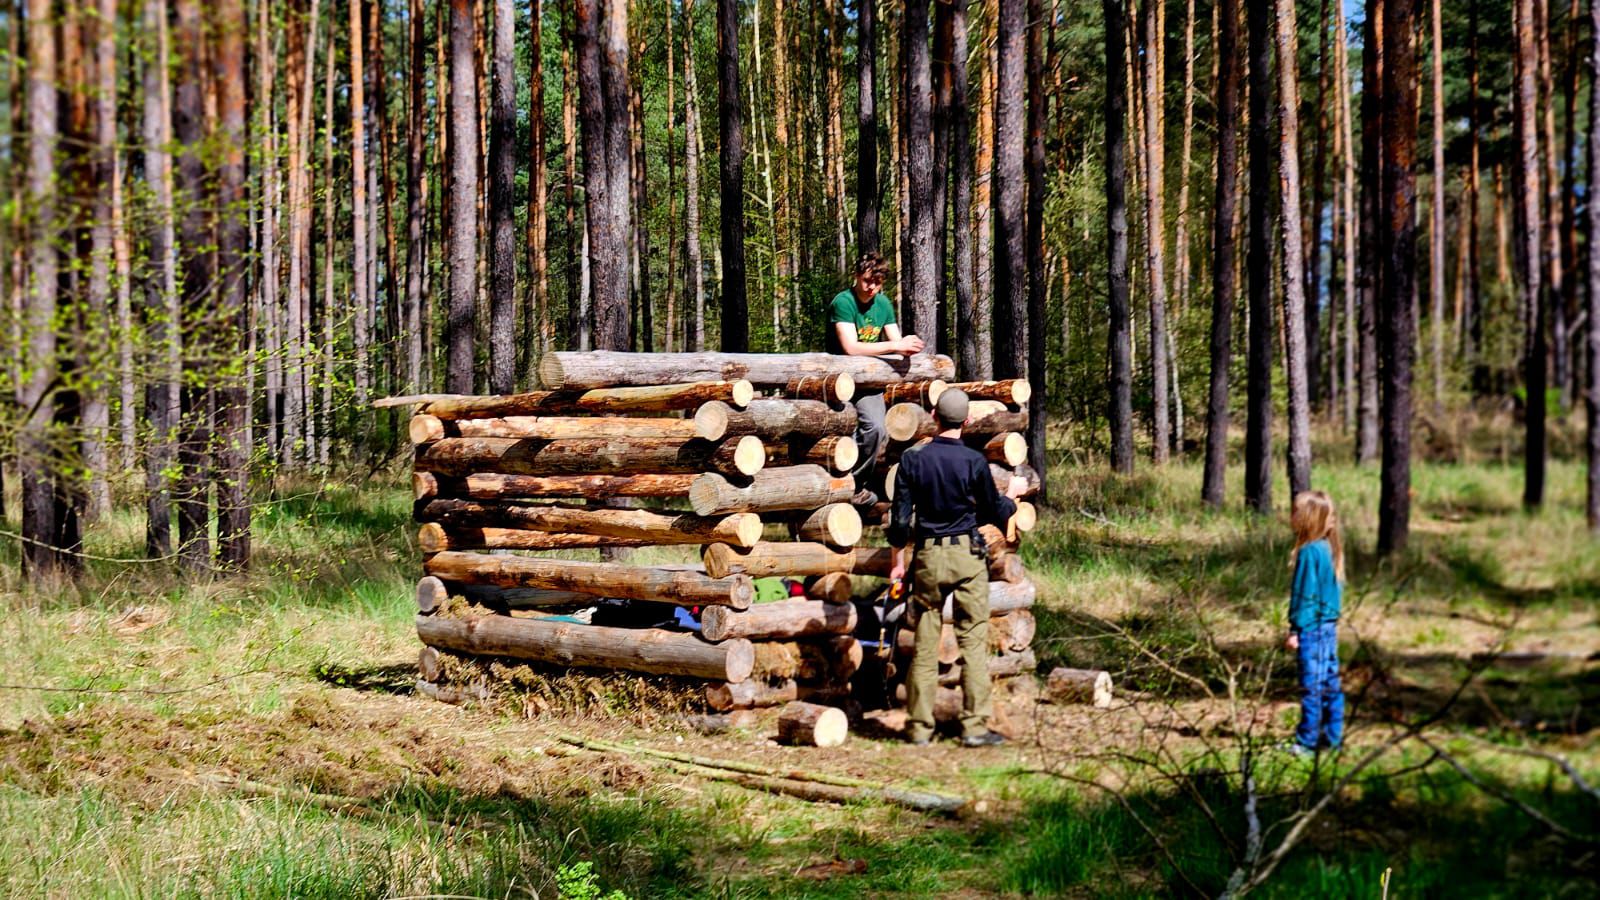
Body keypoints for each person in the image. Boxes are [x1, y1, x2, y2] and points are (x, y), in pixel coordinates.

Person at [887, 388, 1026, 747]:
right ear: (966, 421)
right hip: (967, 555)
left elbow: (899, 521)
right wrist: (1012, 495)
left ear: (934, 416)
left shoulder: (912, 460)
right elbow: (995, 511)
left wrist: (897, 564)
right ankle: (974, 728)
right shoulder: (974, 461)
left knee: (924, 643)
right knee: (973, 641)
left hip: (929, 557)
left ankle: (919, 728)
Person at [827, 252, 925, 504]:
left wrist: (908, 347)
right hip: (837, 383)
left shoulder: (883, 304)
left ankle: (855, 485)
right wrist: (895, 346)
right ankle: (836, 485)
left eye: (877, 282)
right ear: (857, 276)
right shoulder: (843, 302)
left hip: (868, 382)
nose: (872, 287)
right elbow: (851, 347)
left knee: (877, 429)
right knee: (839, 434)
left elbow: (897, 342)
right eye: (867, 280)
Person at [1284, 490, 1346, 757]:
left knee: (1312, 686)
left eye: (1294, 512)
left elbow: (1305, 595)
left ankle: (1307, 742)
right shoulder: (1327, 549)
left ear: (1306, 519)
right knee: (1330, 685)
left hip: (1312, 629)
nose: (1290, 516)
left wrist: (1295, 629)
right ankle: (1333, 737)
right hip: (1328, 628)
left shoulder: (1309, 552)